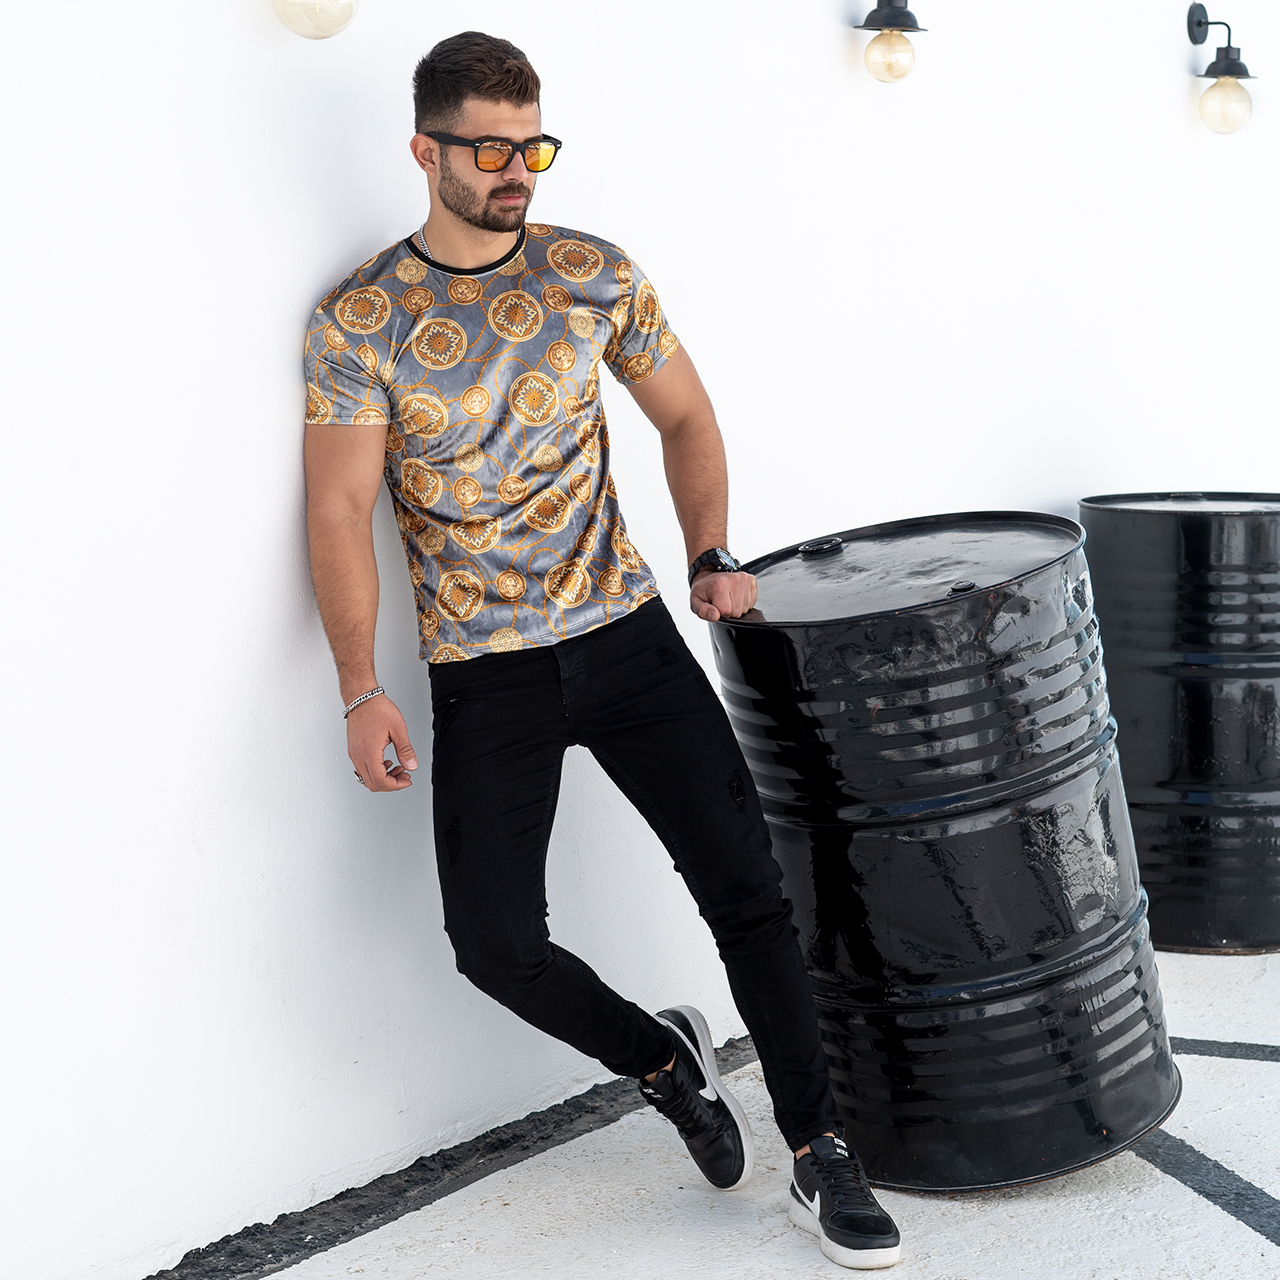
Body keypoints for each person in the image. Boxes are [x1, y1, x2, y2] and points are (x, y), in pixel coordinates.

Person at [301, 30, 902, 1271]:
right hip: (482, 667)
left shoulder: (591, 272)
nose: (514, 171)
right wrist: (359, 685)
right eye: (487, 150)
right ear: (424, 152)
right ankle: (660, 1061)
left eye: (531, 146)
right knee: (493, 946)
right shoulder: (359, 318)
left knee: (746, 887)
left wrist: (708, 549)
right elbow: (337, 508)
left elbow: (684, 413)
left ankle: (817, 1143)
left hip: (625, 633)